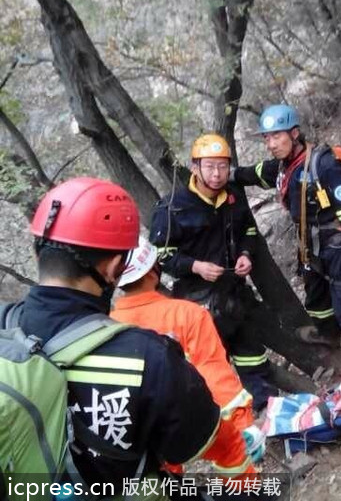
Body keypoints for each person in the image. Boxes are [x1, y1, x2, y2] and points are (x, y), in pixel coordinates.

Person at [13, 177, 252, 492]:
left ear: (37, 254)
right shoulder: (148, 358)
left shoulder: (7, 330)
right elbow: (219, 444)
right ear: (115, 268)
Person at [234, 104, 341, 372]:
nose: (271, 144)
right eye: (267, 138)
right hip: (312, 246)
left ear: (294, 134)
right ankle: (328, 335)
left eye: (276, 136)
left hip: (340, 245)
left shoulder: (324, 165)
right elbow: (256, 173)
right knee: (317, 298)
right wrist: (231, 174)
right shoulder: (283, 168)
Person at [112, 237, 265, 470]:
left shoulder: (110, 327)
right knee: (234, 458)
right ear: (153, 270)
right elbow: (216, 378)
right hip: (197, 421)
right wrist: (244, 427)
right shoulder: (187, 314)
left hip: (149, 437)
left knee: (167, 479)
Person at [149, 134, 277, 410]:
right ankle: (226, 420)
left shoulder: (233, 197)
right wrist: (195, 266)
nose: (217, 174)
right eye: (209, 166)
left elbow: (248, 230)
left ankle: (268, 410)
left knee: (252, 357)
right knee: (212, 368)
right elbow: (160, 254)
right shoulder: (173, 207)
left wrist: (245, 254)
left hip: (235, 294)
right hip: (198, 302)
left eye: (222, 166)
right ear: (195, 167)